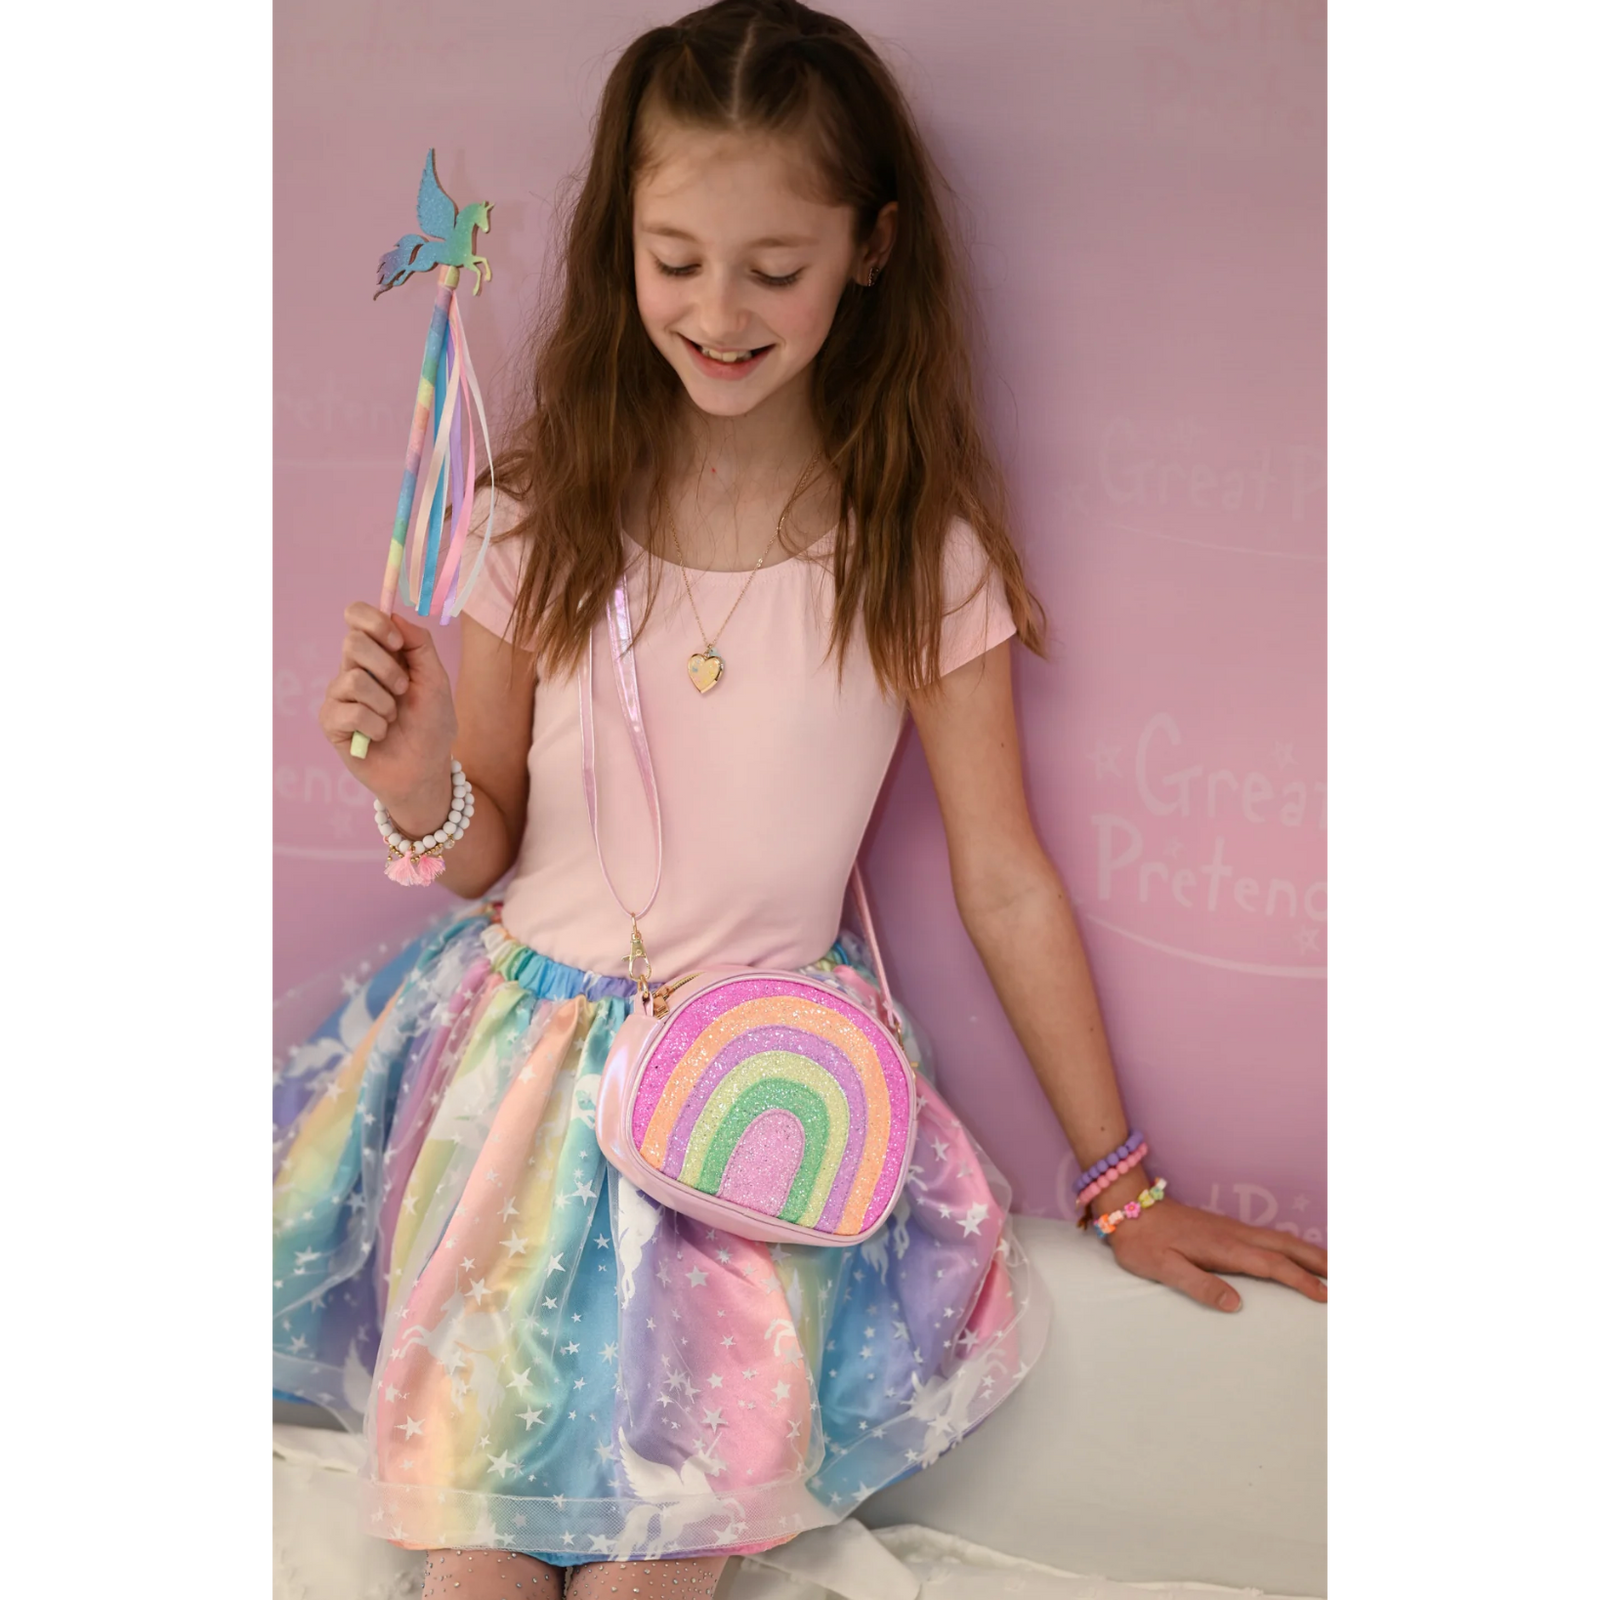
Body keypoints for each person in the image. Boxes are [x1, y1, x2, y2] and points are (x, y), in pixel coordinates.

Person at [272, 2, 1331, 1593]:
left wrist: (1124, 1186)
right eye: (676, 259)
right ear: (622, 246)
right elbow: (483, 848)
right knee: (475, 1574)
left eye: (775, 269)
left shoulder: (914, 549)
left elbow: (1004, 877)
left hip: (754, 1108)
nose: (719, 311)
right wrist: (418, 780)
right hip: (519, 1098)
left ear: (870, 249)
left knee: (651, 1572)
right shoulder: (537, 512)